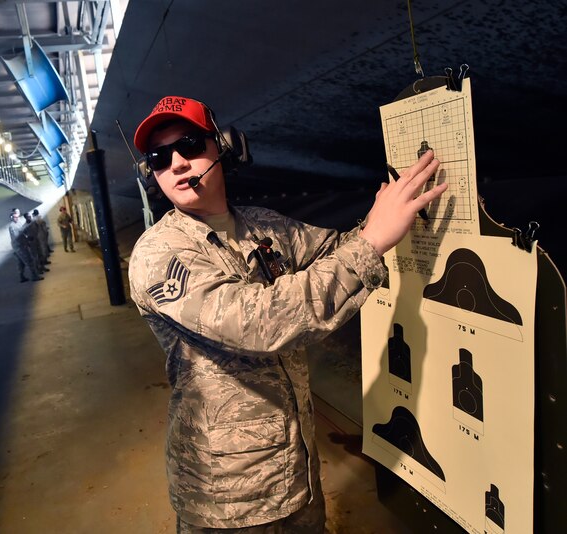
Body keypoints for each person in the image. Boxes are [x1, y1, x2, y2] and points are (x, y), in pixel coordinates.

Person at [127, 96, 447, 533]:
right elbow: (256, 323)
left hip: (296, 476)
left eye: (189, 145)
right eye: (160, 157)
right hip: (228, 499)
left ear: (224, 146)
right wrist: (371, 242)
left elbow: (334, 251)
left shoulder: (263, 227)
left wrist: (379, 218)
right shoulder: (159, 253)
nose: (178, 163)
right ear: (152, 174)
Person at [9, 211, 44, 282]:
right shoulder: (12, 226)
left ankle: (22, 277)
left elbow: (22, 232)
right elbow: (17, 236)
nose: (17, 218)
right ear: (12, 218)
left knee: (21, 262)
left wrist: (27, 238)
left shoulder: (17, 224)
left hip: (20, 244)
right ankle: (34, 276)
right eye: (15, 217)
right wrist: (27, 238)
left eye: (17, 217)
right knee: (29, 260)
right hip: (19, 246)